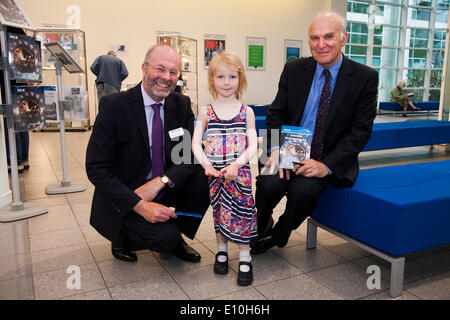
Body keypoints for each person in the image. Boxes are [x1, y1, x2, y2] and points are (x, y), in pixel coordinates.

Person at [250, 12, 379, 255]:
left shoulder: (365, 78)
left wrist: (326, 166)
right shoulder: (294, 69)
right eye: (314, 38)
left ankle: (279, 234)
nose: (321, 44)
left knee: (302, 192)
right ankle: (262, 220)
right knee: (267, 185)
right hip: (286, 150)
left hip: (326, 156)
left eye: (328, 37)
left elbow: (360, 131)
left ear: (344, 38)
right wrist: (275, 150)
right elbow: (275, 114)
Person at [86, 45, 210, 263]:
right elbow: (97, 168)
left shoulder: (180, 104)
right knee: (164, 238)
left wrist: (162, 181)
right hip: (128, 191)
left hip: (162, 184)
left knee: (205, 178)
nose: (166, 77)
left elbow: (191, 155)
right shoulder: (114, 106)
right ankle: (121, 234)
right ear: (144, 68)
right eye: (160, 69)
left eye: (173, 72)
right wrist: (139, 205)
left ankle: (176, 235)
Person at [192, 52, 258, 286]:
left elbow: (253, 144)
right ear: (212, 80)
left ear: (240, 79)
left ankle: (245, 257)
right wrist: (207, 165)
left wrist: (237, 165)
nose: (227, 82)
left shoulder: (246, 112)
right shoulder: (205, 111)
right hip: (216, 175)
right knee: (219, 212)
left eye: (232, 76)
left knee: (242, 214)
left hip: (239, 176)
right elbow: (195, 143)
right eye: (221, 76)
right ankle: (221, 250)